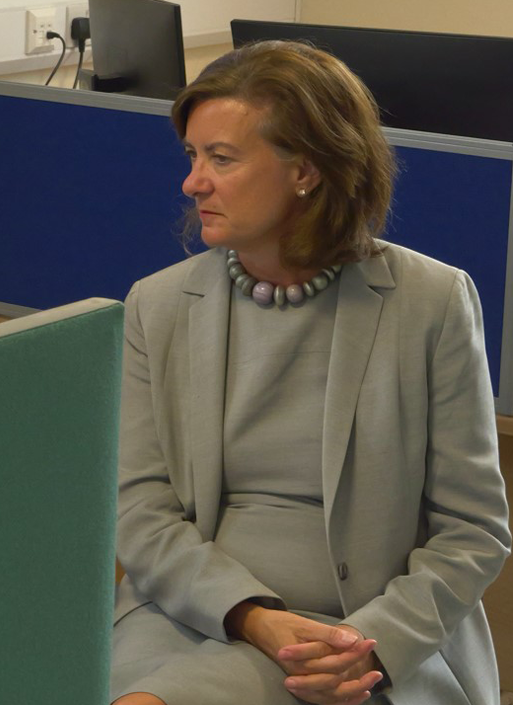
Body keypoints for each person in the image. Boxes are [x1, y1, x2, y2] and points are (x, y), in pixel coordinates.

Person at [110, 40, 511, 705]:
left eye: (222, 158)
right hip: (190, 611)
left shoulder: (431, 301)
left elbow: (473, 531)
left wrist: (370, 644)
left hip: (366, 632)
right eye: (192, 156)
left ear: (307, 169)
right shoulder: (158, 304)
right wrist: (252, 616)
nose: (193, 181)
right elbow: (139, 510)